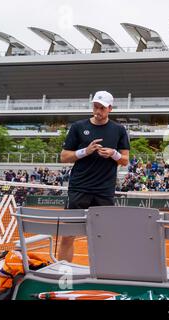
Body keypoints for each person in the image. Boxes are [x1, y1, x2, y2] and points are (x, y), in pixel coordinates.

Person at [59, 91, 130, 262]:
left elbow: (125, 160)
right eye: (96, 107)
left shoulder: (119, 130)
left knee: (104, 237)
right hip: (79, 188)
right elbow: (64, 157)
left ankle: (104, 275)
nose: (98, 111)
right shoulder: (78, 127)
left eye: (102, 108)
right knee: (68, 235)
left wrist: (113, 154)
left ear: (110, 109)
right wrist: (85, 151)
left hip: (104, 191)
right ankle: (63, 274)